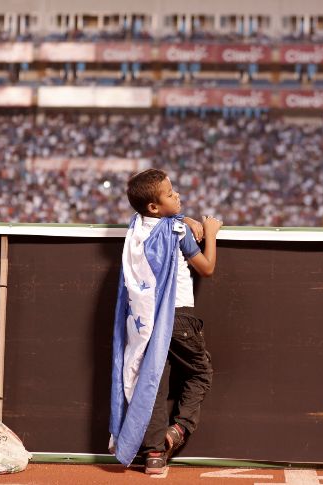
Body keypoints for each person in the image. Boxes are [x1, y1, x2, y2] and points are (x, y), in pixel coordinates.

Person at [108, 168, 222, 474]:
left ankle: (154, 455)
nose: (178, 196)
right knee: (201, 373)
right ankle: (179, 429)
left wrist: (182, 218)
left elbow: (161, 221)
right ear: (155, 207)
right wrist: (210, 231)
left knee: (155, 383)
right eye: (171, 194)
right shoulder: (177, 232)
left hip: (148, 322)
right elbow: (207, 268)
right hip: (180, 317)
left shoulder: (135, 229)